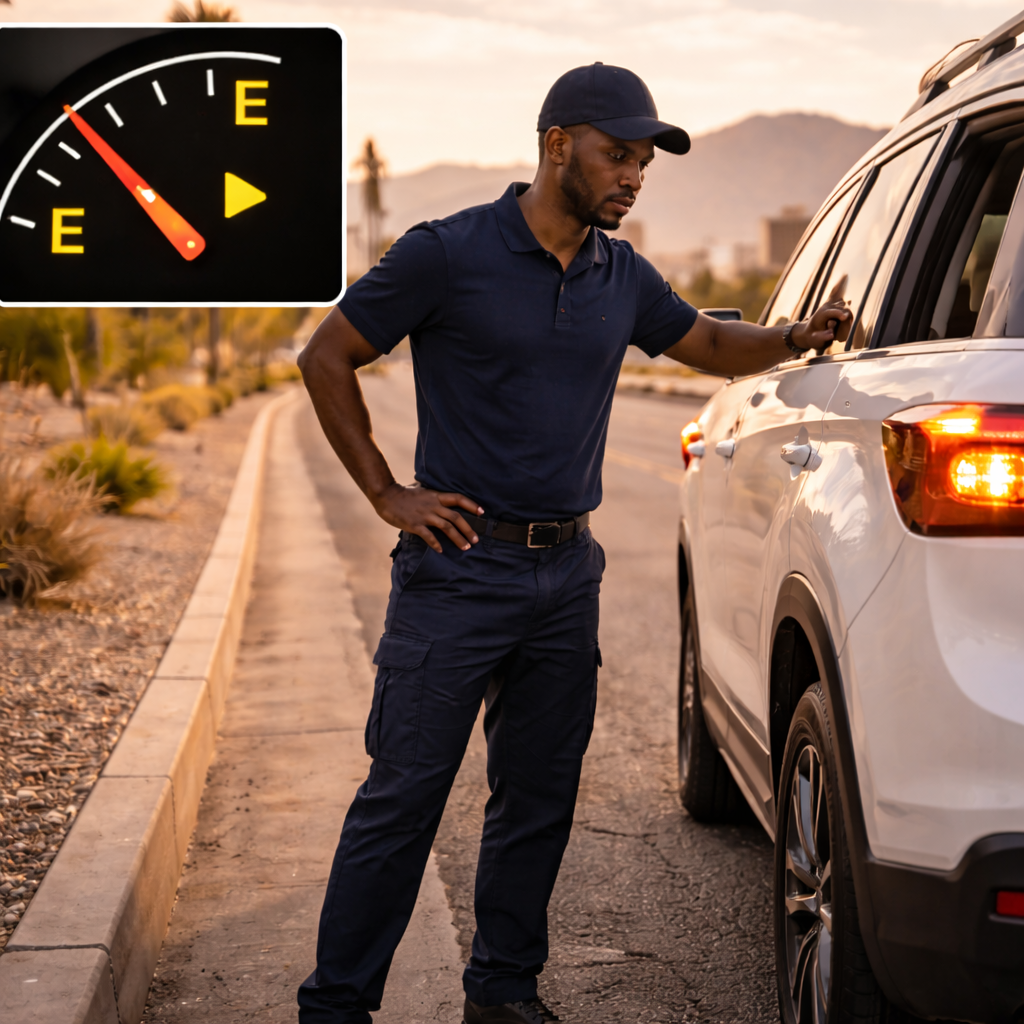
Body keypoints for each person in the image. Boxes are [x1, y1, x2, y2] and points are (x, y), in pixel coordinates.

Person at [296, 62, 848, 1024]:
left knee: (538, 801)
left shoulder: (619, 275)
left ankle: (503, 995)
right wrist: (387, 492)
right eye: (616, 155)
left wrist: (799, 334)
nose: (633, 176)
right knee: (404, 801)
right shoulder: (447, 252)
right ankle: (335, 1007)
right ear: (558, 145)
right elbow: (326, 353)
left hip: (567, 574)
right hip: (457, 574)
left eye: (643, 161)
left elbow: (710, 347)